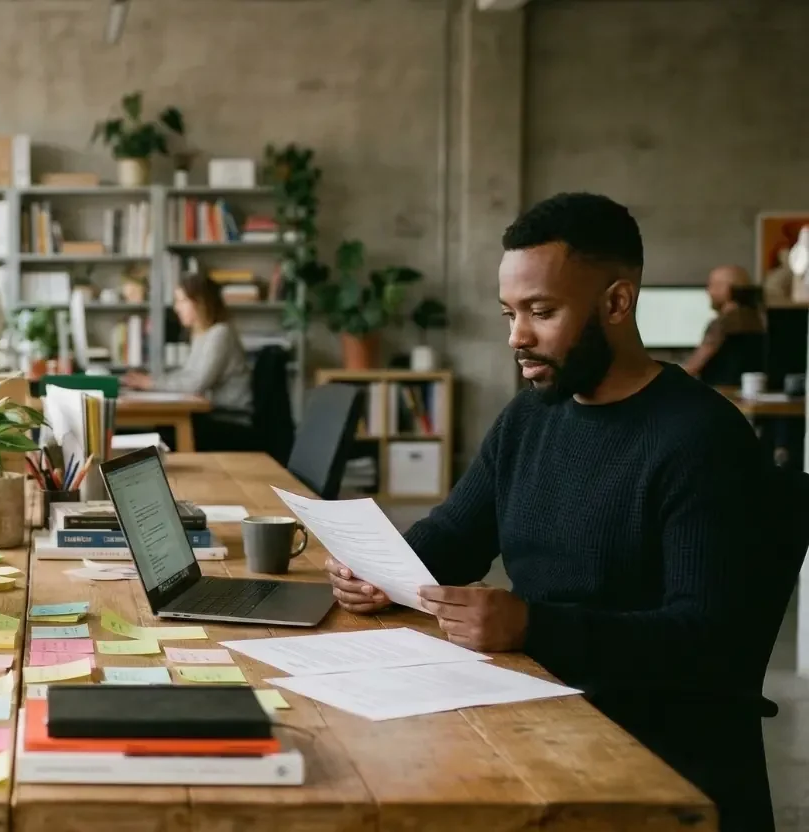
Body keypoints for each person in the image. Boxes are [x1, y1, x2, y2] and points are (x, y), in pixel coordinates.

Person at [324, 193, 774, 830]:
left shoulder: (701, 438)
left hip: (650, 748)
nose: (517, 337)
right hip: (539, 704)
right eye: (509, 313)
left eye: (542, 311)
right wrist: (379, 570)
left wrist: (533, 626)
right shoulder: (531, 416)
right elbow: (456, 533)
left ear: (617, 302)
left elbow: (706, 642)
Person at [123, 273, 253, 450]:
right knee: (160, 429)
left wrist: (151, 383)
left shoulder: (220, 334)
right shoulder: (202, 335)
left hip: (230, 420)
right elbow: (188, 376)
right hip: (213, 415)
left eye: (182, 301)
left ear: (200, 302)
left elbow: (195, 383)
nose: (177, 308)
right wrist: (151, 382)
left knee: (162, 433)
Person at [682, 264, 766, 382]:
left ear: (726, 289)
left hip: (719, 394)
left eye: (712, 285)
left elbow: (692, 368)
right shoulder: (759, 319)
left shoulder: (722, 324)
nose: (708, 291)